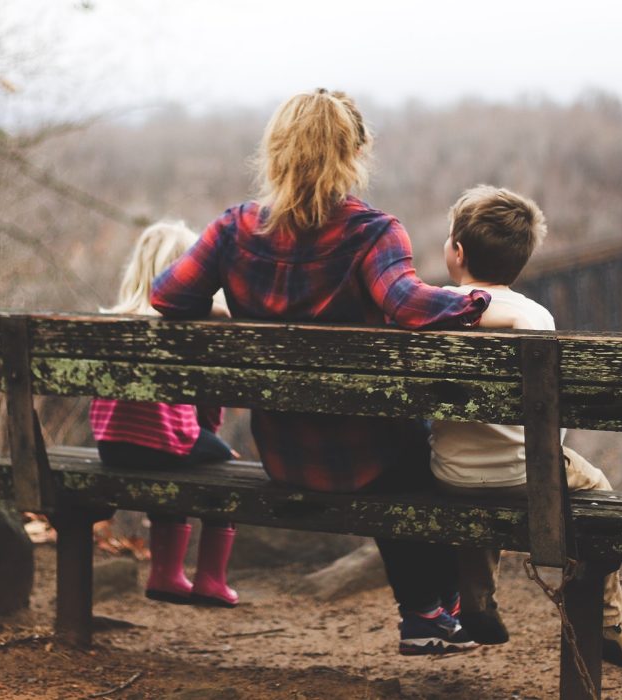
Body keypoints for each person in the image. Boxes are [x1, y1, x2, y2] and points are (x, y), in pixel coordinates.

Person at [151, 89, 491, 655]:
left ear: (276, 152)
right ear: (355, 152)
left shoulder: (233, 229)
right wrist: (477, 301)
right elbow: (408, 304)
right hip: (370, 458)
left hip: (284, 455)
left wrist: (221, 310)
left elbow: (167, 296)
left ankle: (434, 612)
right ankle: (431, 611)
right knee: (422, 451)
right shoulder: (372, 233)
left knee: (403, 447)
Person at [427, 184, 622, 667]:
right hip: (528, 474)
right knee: (598, 489)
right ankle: (606, 619)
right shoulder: (535, 316)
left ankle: (476, 602)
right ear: (519, 262)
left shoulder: (432, 309)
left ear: (456, 252)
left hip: (450, 475)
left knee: (477, 490)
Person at [93, 221, 240, 607]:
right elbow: (207, 402)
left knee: (174, 458)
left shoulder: (112, 322)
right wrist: (212, 437)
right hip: (164, 444)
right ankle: (210, 579)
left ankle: (166, 573)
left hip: (111, 446)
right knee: (225, 465)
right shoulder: (186, 326)